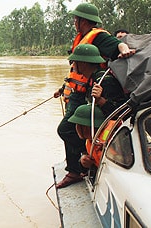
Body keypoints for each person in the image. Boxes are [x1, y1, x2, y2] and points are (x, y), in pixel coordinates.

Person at [53, 3, 134, 188]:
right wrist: (62, 88)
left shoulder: (99, 37)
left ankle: (83, 163)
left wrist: (124, 50)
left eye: (76, 19)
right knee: (71, 129)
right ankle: (78, 165)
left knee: (67, 129)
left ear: (84, 21)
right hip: (79, 92)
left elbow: (118, 44)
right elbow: (76, 73)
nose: (74, 22)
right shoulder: (81, 38)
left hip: (91, 93)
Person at [55, 44, 127, 189]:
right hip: (96, 134)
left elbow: (122, 112)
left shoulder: (104, 81)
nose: (73, 65)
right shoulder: (90, 80)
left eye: (75, 62)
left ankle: (88, 160)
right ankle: (82, 162)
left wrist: (101, 101)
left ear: (83, 63)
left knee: (66, 130)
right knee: (68, 127)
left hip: (112, 136)